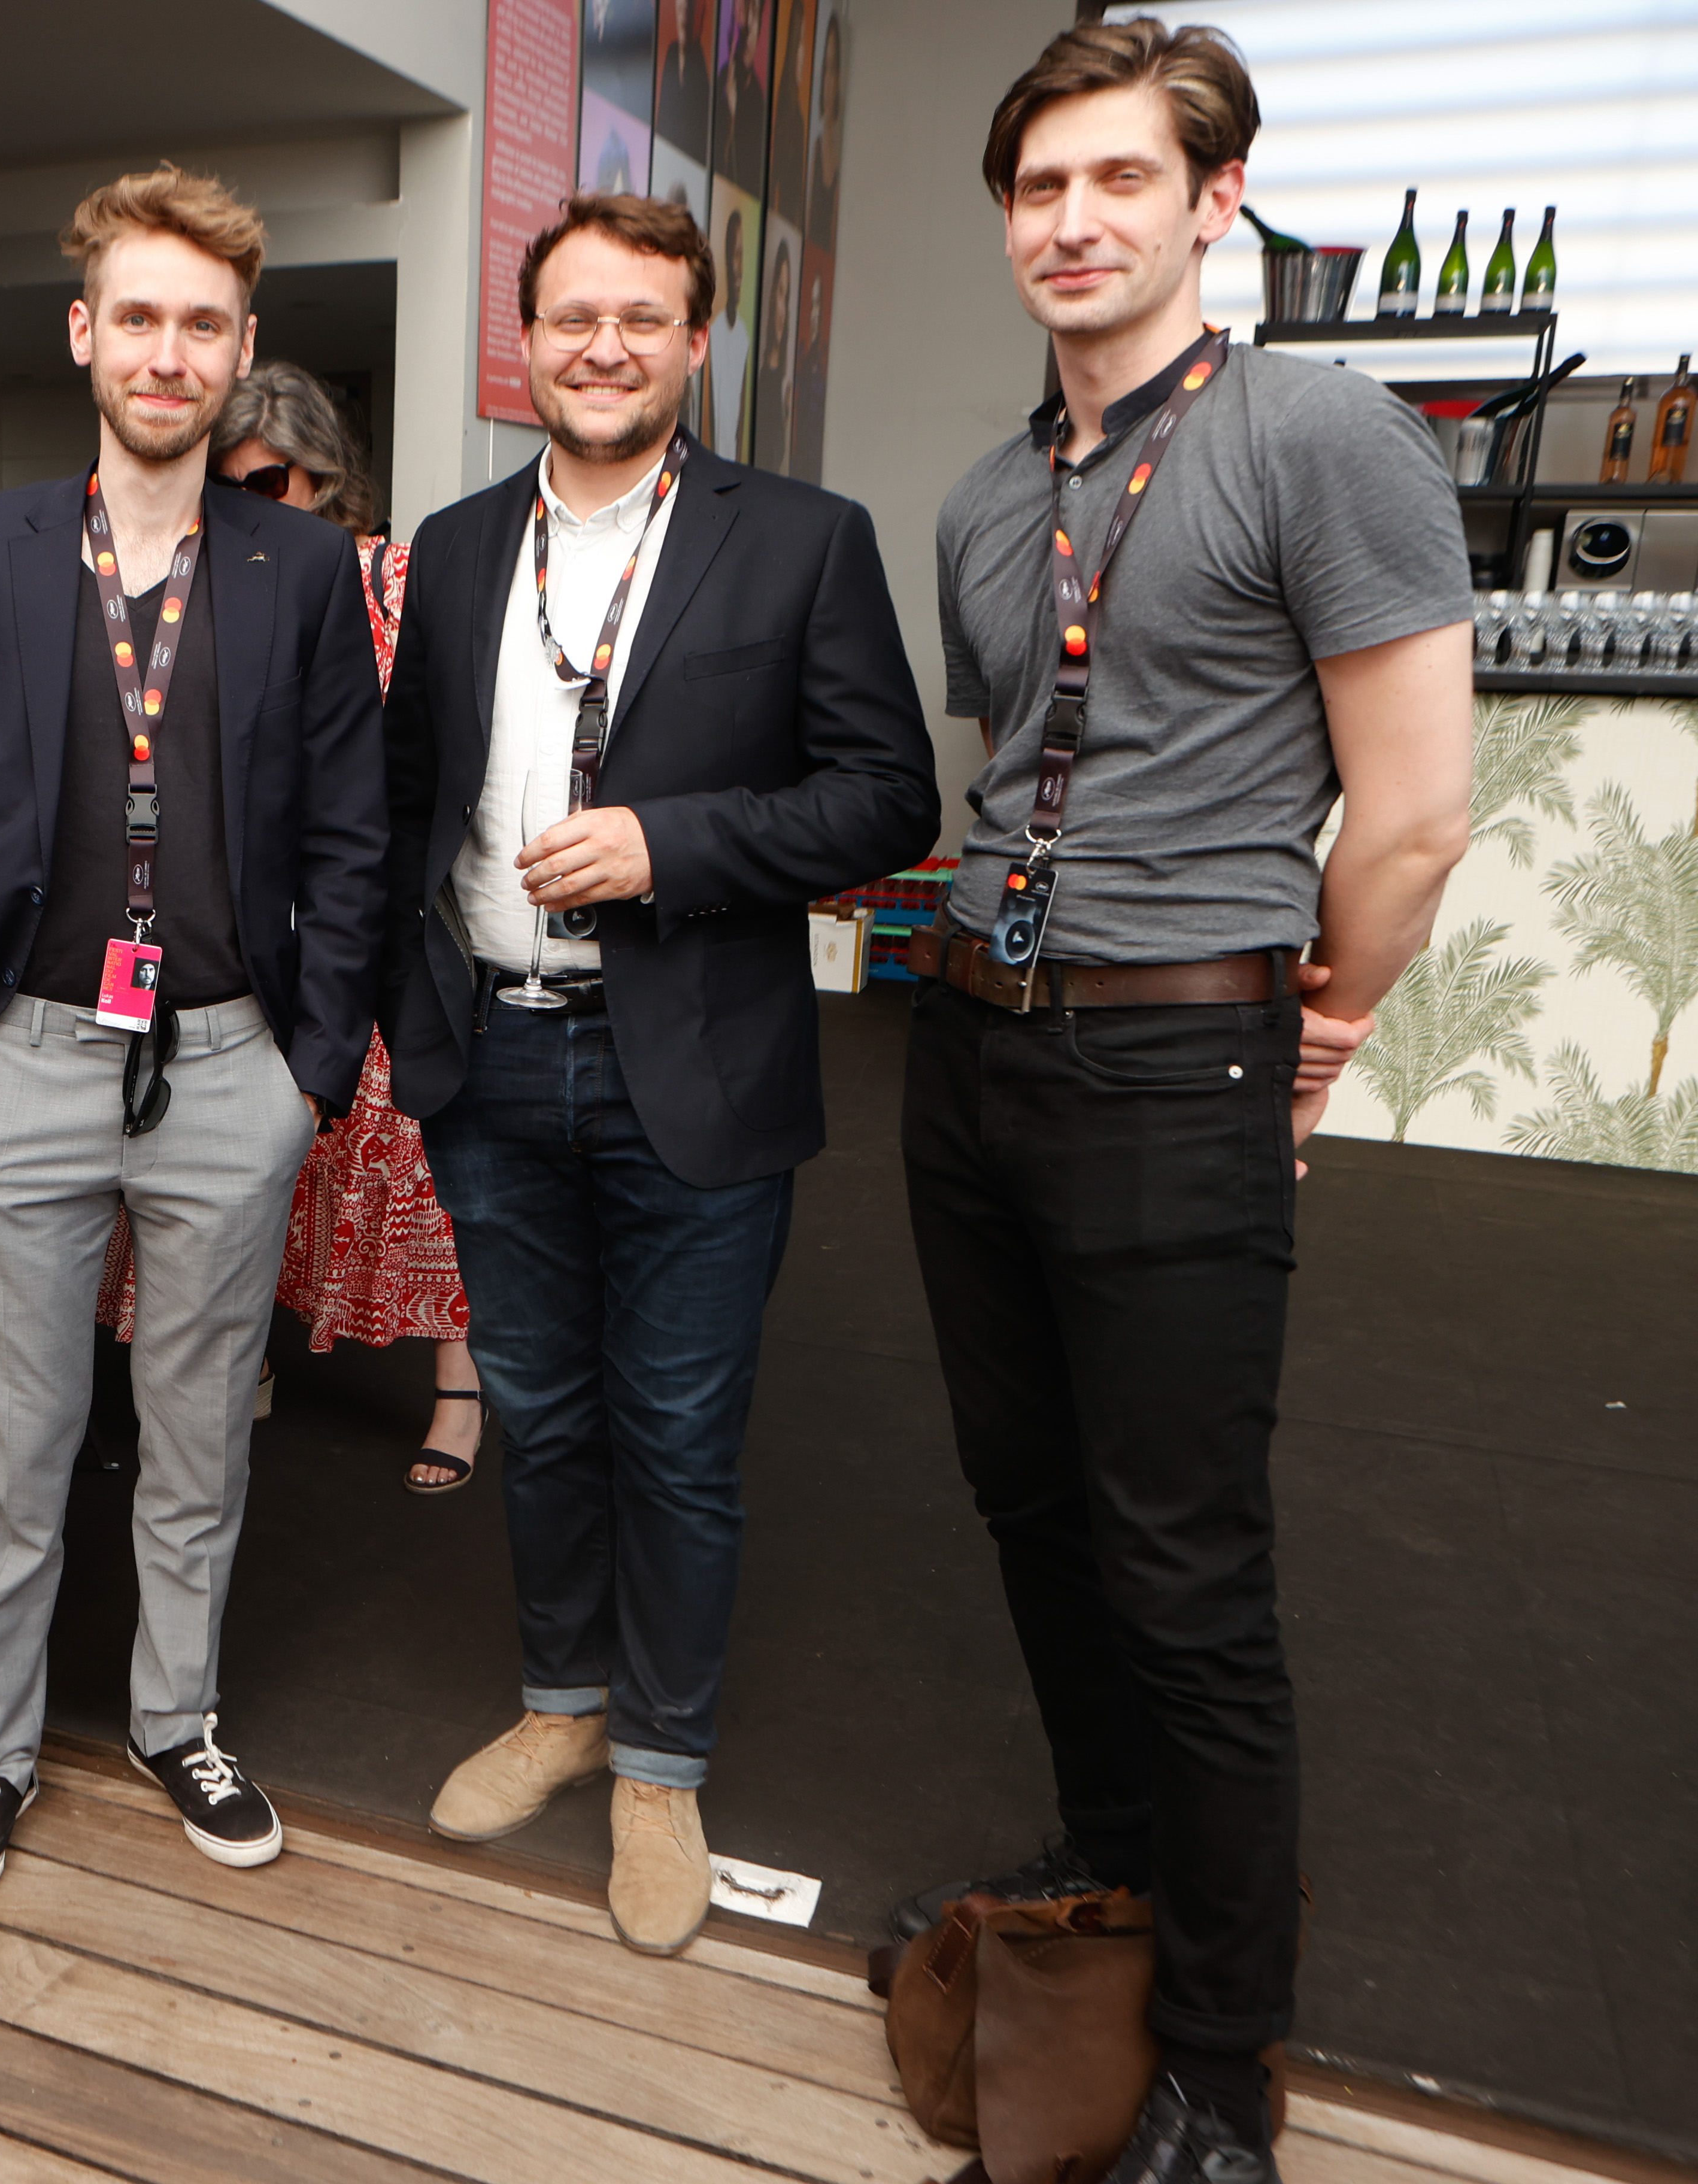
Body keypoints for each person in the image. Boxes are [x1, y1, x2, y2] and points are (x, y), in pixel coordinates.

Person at [893, 25, 1470, 2177]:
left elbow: (1410, 815)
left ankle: (1222, 2063)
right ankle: (1108, 1861)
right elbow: (1015, 769)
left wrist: (1307, 1026)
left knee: (1183, 1568)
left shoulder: (1322, 437)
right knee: (1030, 1509)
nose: (1072, 221)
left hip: (1172, 1052)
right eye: (1037, 186)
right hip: (966, 1044)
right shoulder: (979, 495)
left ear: (1211, 199)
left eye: (1118, 180)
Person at [374, 193, 935, 1953]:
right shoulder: (458, 549)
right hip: (495, 1064)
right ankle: (562, 1698)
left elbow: (889, 797)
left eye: (642, 317)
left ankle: (664, 1764)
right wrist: (414, 1020)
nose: (602, 345)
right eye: (570, 317)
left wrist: (667, 846)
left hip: (691, 1061)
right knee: (539, 1414)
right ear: (523, 344)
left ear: (698, 345)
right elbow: (409, 808)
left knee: (678, 1437)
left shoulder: (805, 541)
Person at [0, 168, 388, 1911]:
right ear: (87, 333)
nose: (169, 352)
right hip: (16, 1064)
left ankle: (180, 1716)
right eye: (141, 317)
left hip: (233, 1068)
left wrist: (311, 1073)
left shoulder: (304, 569)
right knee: (17, 1454)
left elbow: (353, 835)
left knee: (199, 1437)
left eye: (205, 324)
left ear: (240, 348)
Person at [179, 359, 487, 1493]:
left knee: (412, 1161)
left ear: (326, 477)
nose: (252, 506)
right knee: (252, 1159)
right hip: (249, 921)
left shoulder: (394, 580)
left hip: (376, 909)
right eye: (231, 485)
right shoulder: (201, 582)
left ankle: (459, 1388)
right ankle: (246, 1354)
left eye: (272, 483)